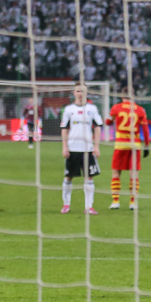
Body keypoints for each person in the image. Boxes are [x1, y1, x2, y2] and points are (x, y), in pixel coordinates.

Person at [60, 84, 103, 215]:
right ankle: (66, 204)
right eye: (78, 91)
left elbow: (97, 127)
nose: (80, 93)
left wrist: (96, 147)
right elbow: (64, 129)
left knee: (89, 178)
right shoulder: (68, 109)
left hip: (87, 149)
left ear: (86, 93)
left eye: (82, 91)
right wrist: (65, 147)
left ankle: (89, 207)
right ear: (74, 93)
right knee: (68, 177)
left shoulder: (92, 109)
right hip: (72, 149)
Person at [106, 89, 150, 210]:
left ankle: (115, 201)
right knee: (133, 173)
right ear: (133, 96)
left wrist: (111, 117)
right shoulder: (140, 110)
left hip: (120, 144)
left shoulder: (116, 108)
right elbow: (145, 130)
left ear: (122, 96)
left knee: (116, 172)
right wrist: (147, 145)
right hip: (135, 145)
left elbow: (108, 122)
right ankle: (133, 202)